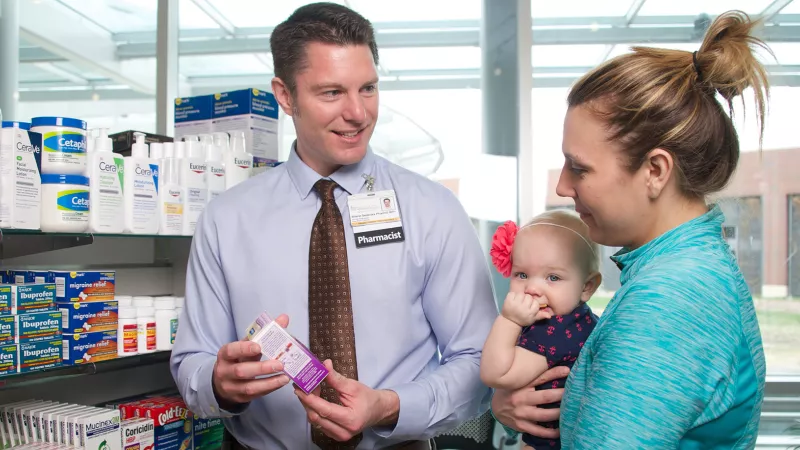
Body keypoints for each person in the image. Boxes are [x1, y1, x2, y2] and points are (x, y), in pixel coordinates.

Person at [169, 3, 498, 449]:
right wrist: (219, 381)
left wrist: (391, 406)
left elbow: (480, 360)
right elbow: (191, 363)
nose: (358, 113)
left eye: (368, 88)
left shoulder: (433, 210)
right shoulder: (227, 220)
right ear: (285, 96)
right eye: (331, 93)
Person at [493, 10, 769, 448]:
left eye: (579, 168)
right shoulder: (687, 270)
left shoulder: (671, 298)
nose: (563, 186)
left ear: (655, 171)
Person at [480, 210, 601, 450]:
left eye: (553, 277)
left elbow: (495, 374)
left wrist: (509, 320)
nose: (532, 288)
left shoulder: (551, 330)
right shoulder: (582, 320)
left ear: (587, 287)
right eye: (522, 274)